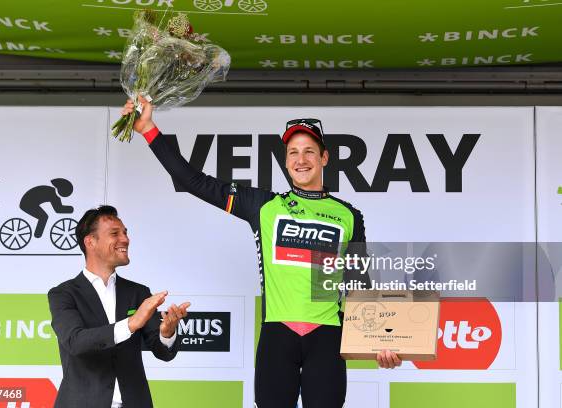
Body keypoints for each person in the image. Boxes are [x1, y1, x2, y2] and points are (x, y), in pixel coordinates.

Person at [122, 98, 401, 408]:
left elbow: (360, 286)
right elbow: (193, 181)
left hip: (328, 338)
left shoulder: (349, 215)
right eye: (293, 152)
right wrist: (148, 129)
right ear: (285, 162)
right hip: (277, 336)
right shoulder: (264, 206)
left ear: (324, 157)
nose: (301, 159)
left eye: (309, 151)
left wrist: (380, 342)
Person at [48, 205, 190, 408]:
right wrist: (131, 324)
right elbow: (75, 342)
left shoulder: (138, 293)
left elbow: (163, 352)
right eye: (115, 233)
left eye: (125, 232)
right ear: (90, 242)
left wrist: (167, 333)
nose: (125, 239)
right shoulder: (64, 294)